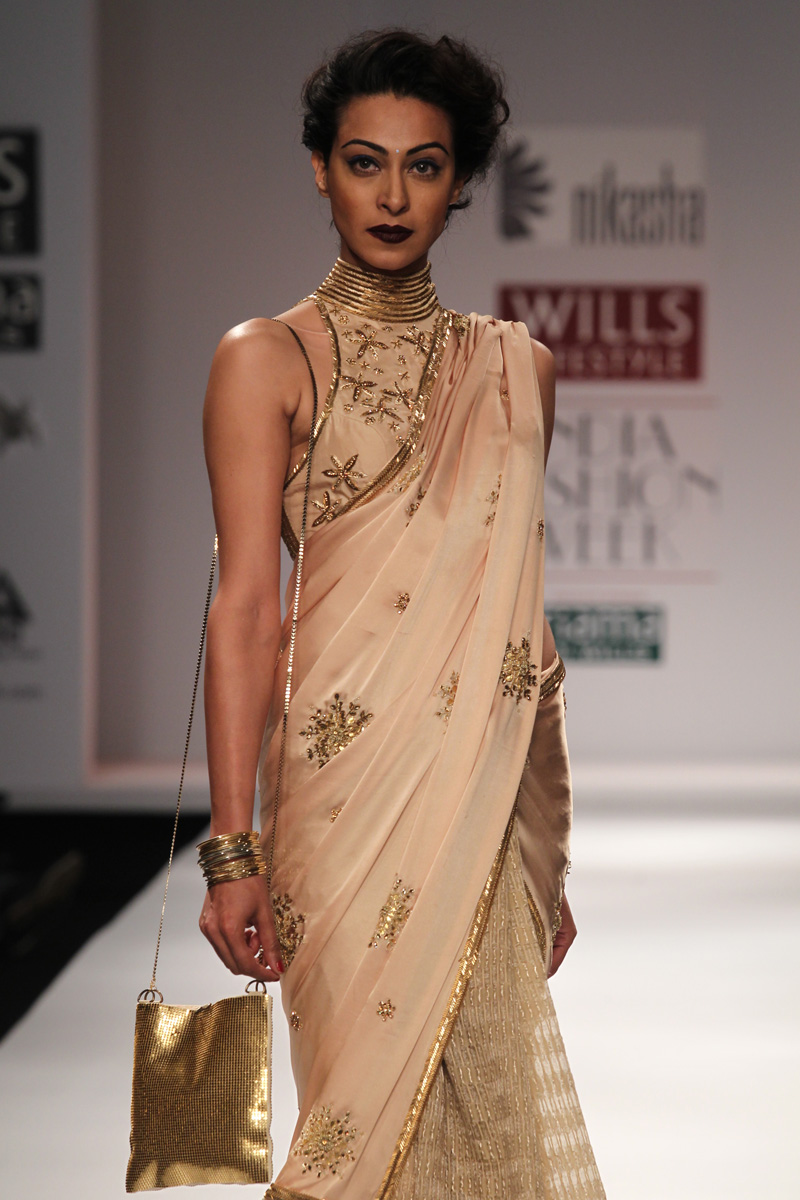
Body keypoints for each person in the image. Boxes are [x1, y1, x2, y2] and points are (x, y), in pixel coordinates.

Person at [198, 29, 605, 1200]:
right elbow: (245, 610)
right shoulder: (264, 359)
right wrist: (231, 850)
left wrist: (540, 848)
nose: (390, 195)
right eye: (363, 162)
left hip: (478, 803)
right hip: (339, 805)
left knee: (486, 1115)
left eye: (422, 166)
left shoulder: (518, 369)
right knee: (354, 1126)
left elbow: (520, 637)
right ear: (318, 169)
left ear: (459, 179)